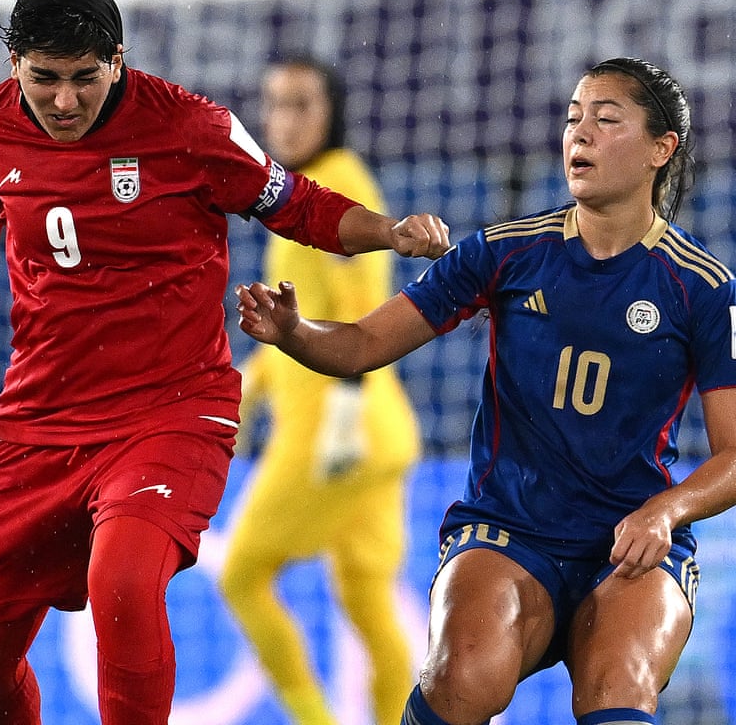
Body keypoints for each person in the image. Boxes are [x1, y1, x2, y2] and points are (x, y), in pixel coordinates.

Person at [0, 0, 450, 725]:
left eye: (85, 77)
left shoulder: (190, 127)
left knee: (126, 584)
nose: (65, 100)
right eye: (45, 78)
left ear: (118, 61)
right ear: (14, 64)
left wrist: (389, 231)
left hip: (170, 412)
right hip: (39, 422)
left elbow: (294, 204)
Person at [235, 57, 736, 725]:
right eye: (572, 119)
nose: (579, 136)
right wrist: (296, 332)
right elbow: (360, 344)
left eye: (606, 121)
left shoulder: (702, 287)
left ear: (660, 148)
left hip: (631, 544)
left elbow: (733, 455)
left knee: (619, 692)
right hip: (508, 531)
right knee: (458, 678)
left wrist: (666, 512)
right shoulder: (506, 252)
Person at [218, 57, 420, 725]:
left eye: (302, 103)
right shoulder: (297, 192)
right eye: (275, 103)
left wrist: (341, 414)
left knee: (242, 575)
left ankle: (314, 719)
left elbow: (363, 323)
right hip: (380, 436)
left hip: (336, 435)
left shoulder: (338, 187)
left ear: (332, 110)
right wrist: (245, 387)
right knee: (366, 601)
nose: (285, 118)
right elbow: (298, 332)